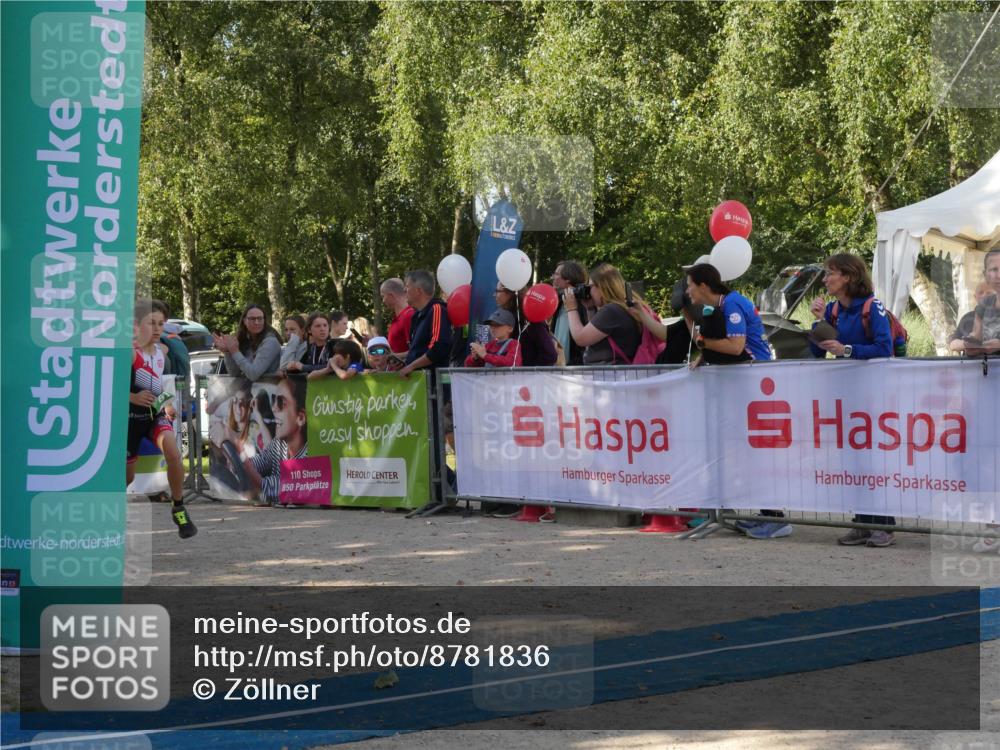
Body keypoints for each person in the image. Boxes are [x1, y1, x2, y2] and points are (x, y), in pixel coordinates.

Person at [684, 263, 790, 540]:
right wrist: (704, 356)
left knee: (757, 451)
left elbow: (735, 346)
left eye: (690, 284)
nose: (687, 290)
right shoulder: (723, 304)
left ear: (704, 286)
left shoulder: (731, 304)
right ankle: (767, 514)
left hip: (756, 383)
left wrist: (703, 345)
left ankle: (775, 519)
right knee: (747, 452)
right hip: (749, 384)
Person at [805, 252, 897, 547]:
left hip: (875, 396)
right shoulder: (832, 310)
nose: (825, 279)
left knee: (875, 460)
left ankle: (884, 525)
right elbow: (817, 352)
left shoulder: (873, 307)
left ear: (848, 276)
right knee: (852, 459)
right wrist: (818, 323)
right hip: (847, 396)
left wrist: (846, 350)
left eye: (830, 273)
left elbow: (884, 348)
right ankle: (863, 522)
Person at [128, 299, 196, 538]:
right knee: (127, 477)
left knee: (174, 453)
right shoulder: (129, 353)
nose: (157, 329)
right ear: (136, 325)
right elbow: (107, 388)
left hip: (153, 415)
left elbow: (158, 386)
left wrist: (166, 403)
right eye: (151, 323)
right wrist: (133, 397)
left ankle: (178, 507)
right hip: (129, 419)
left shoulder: (162, 352)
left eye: (161, 324)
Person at [399, 269, 454, 511]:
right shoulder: (416, 316)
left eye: (406, 287)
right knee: (424, 439)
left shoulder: (437, 310)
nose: (404, 291)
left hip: (433, 385)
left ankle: (450, 487)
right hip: (419, 386)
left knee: (433, 439)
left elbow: (439, 347)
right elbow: (418, 349)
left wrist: (411, 365)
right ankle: (437, 489)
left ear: (418, 290)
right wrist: (400, 360)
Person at [244, 375, 308, 507]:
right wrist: (239, 462)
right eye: (273, 400)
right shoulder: (279, 444)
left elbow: (284, 485)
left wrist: (235, 447)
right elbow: (260, 462)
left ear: (300, 418)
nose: (274, 408)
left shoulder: (310, 453)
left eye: (281, 403)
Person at [561, 263, 642, 365]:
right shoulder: (621, 307)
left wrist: (571, 309)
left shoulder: (612, 311)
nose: (589, 292)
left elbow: (581, 338)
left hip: (611, 376)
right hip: (616, 374)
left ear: (602, 287)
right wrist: (590, 309)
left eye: (590, 286)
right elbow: (592, 337)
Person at [215, 303, 281, 381]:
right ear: (244, 321)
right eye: (252, 319)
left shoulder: (270, 342)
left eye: (260, 318)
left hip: (270, 391)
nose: (256, 322)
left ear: (264, 320)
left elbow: (253, 374)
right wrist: (227, 352)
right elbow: (234, 373)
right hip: (251, 391)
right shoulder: (246, 340)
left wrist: (234, 351)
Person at [954, 249, 1000, 356]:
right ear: (985, 275)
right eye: (994, 269)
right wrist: (971, 344)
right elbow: (976, 335)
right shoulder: (984, 305)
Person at [551, 261, 588, 365]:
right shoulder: (558, 302)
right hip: (559, 369)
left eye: (556, 274)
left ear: (568, 278)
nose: (553, 277)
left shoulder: (583, 304)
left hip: (576, 370)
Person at [286, 311, 334, 375]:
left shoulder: (335, 345)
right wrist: (291, 367)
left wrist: (304, 367)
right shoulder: (311, 348)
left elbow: (332, 367)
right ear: (309, 330)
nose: (322, 329)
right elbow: (299, 367)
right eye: (318, 326)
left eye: (325, 325)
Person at [948, 281, 990, 353]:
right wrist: (966, 344)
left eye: (989, 293)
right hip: (970, 363)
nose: (984, 296)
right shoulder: (967, 317)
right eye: (981, 293)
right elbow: (953, 344)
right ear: (975, 297)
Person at [381, 277, 415, 356]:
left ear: (391, 295)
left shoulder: (408, 316)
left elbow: (416, 351)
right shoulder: (399, 318)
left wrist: (392, 357)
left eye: (383, 296)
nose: (383, 300)